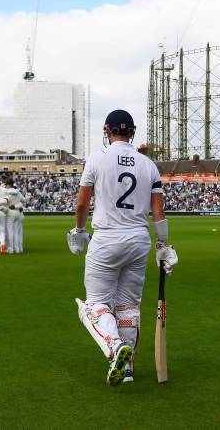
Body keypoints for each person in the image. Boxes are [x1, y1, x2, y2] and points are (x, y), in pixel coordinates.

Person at [67, 109, 179, 387]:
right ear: (133, 131)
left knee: (94, 304)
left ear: (107, 130)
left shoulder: (96, 159)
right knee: (128, 306)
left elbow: (82, 204)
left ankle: (115, 347)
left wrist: (80, 231)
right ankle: (127, 368)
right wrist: (163, 246)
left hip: (106, 238)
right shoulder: (148, 165)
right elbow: (158, 212)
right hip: (138, 240)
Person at [5, 179, 25, 254]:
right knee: (17, 232)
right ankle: (18, 248)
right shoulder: (17, 192)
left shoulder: (7, 192)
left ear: (8, 185)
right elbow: (24, 200)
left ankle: (11, 248)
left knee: (10, 232)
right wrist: (18, 205)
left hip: (10, 213)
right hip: (18, 214)